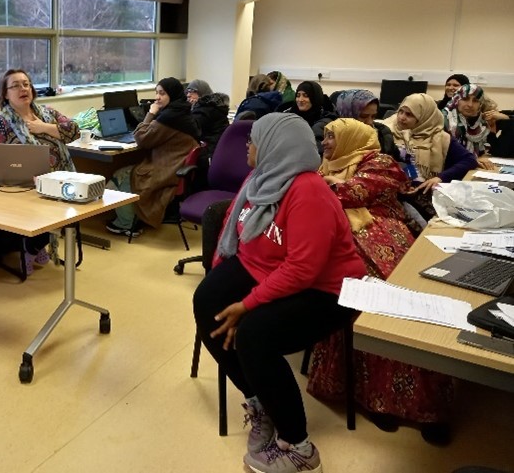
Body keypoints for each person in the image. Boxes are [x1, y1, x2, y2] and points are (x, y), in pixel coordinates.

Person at [193, 113, 365, 473]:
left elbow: (304, 269)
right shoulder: (260, 179)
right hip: (267, 266)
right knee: (206, 302)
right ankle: (260, 401)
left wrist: (247, 303)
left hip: (328, 288)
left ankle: (300, 448)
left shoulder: (308, 191)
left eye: (253, 140)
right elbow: (233, 229)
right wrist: (217, 274)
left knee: (255, 334)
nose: (247, 145)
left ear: (275, 146)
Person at [306, 118, 455, 446]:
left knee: (409, 307)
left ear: (351, 137)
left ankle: (429, 407)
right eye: (326, 137)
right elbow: (318, 198)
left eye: (332, 136)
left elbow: (357, 191)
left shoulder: (379, 162)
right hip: (344, 246)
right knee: (364, 307)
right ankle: (376, 399)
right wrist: (328, 184)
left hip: (387, 237)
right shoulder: (324, 166)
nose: (326, 142)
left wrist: (331, 186)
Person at [0, 68, 79, 272]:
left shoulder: (48, 113)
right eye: (15, 86)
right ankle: (33, 245)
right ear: (5, 94)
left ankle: (35, 245)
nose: (22, 88)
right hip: (22, 186)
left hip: (59, 180)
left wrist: (43, 127)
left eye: (25, 84)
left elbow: (74, 131)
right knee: (37, 204)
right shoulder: (2, 122)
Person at [106, 77, 199, 237]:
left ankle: (127, 224)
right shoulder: (183, 111)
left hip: (164, 172)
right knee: (128, 171)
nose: (157, 97)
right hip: (174, 169)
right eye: (156, 93)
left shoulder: (169, 118)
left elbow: (141, 138)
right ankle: (134, 217)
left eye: (162, 93)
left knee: (119, 176)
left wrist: (150, 113)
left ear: (172, 94)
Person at [381, 93, 477, 221]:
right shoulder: (385, 130)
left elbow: (469, 160)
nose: (402, 118)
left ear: (424, 117)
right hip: (391, 191)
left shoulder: (439, 137)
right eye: (401, 112)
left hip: (422, 192)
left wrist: (440, 177)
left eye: (409, 115)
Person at [444, 83, 509, 169]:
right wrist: (473, 159)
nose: (470, 105)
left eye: (475, 101)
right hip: (448, 172)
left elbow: (499, 151)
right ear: (456, 100)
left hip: (470, 168)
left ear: (480, 104)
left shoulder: (481, 122)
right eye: (465, 99)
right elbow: (447, 155)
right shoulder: (445, 120)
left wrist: (506, 119)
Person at [332, 88, 399, 159]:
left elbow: (396, 160)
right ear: (347, 114)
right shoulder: (331, 134)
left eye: (373, 116)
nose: (370, 122)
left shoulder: (382, 132)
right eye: (363, 116)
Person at [188, 80, 230, 185]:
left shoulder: (204, 110)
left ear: (202, 93)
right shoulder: (213, 106)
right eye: (187, 91)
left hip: (209, 152)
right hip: (218, 149)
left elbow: (191, 128)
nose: (188, 95)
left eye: (193, 92)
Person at [280, 80, 337, 154]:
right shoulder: (288, 115)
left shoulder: (325, 120)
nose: (300, 100)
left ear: (315, 98)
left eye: (306, 96)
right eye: (298, 95)